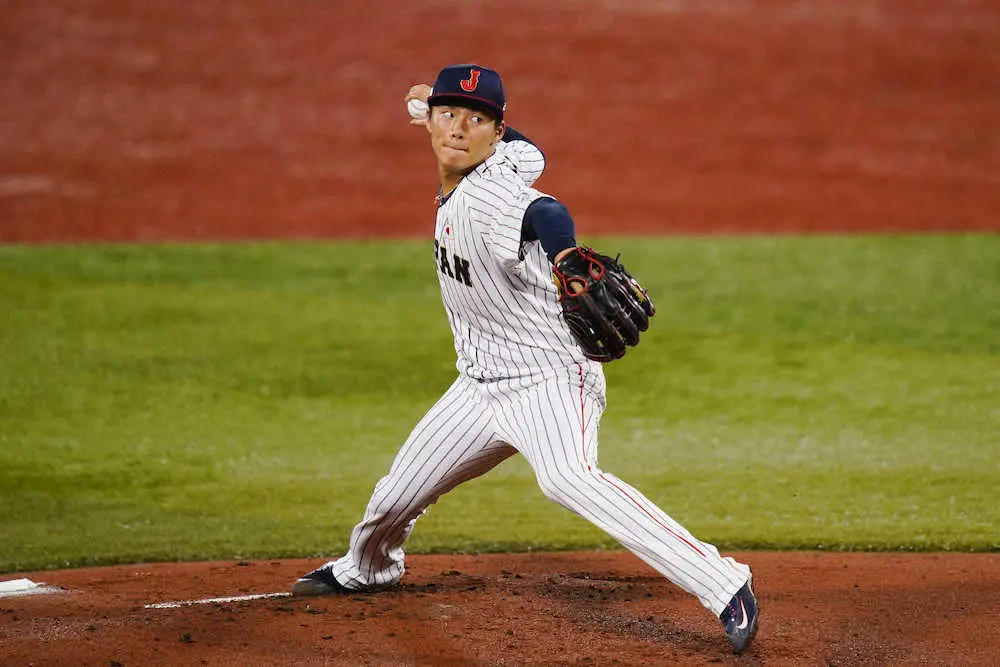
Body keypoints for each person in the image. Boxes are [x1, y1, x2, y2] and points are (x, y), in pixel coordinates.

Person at [291, 63, 759, 654]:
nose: (458, 129)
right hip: (478, 387)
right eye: (448, 115)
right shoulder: (511, 153)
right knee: (393, 498)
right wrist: (432, 107)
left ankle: (724, 583)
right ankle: (369, 568)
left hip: (548, 379)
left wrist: (564, 255)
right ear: (431, 120)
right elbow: (524, 147)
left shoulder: (489, 197)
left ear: (495, 131)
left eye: (476, 120)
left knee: (568, 478)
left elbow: (545, 212)